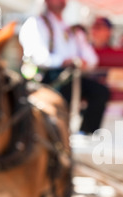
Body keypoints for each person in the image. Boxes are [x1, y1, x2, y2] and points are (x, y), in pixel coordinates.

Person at [19, 0, 110, 134]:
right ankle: (58, 134)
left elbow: (91, 58)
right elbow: (38, 56)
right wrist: (63, 61)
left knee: (100, 92)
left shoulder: (72, 29)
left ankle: (85, 133)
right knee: (64, 93)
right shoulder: (36, 24)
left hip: (72, 76)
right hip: (47, 77)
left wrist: (83, 62)